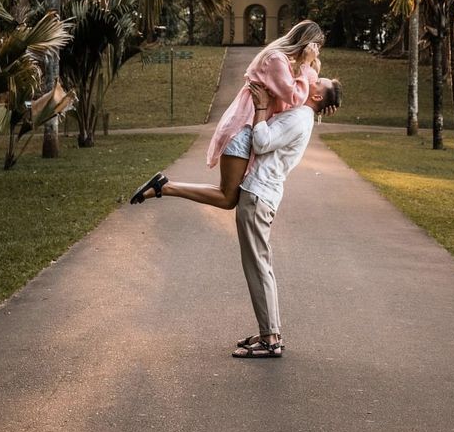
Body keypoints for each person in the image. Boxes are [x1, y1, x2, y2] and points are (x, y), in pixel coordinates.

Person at [130, 20, 327, 209]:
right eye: (315, 48)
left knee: (228, 196)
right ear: (307, 44)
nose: (316, 54)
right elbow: (294, 96)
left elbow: (301, 97)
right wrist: (306, 65)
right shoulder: (275, 59)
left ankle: (163, 186)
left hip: (248, 130)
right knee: (227, 198)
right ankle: (164, 187)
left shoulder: (283, 63)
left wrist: (322, 101)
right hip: (242, 131)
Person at [230, 76, 342, 358]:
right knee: (261, 266)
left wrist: (260, 109)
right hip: (261, 195)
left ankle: (270, 339)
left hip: (257, 196)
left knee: (258, 268)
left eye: (319, 82)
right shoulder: (303, 114)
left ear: (316, 98)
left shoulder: (300, 118)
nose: (313, 79)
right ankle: (271, 331)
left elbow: (262, 142)